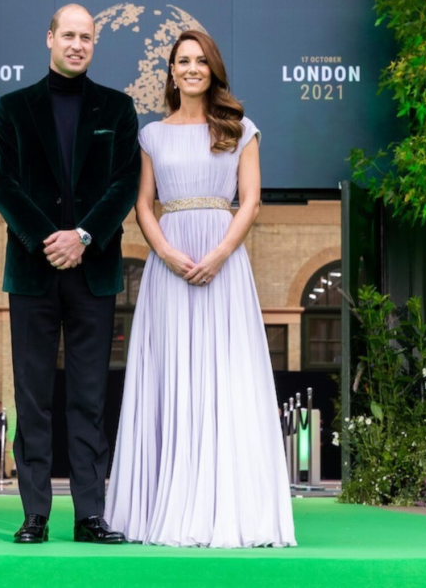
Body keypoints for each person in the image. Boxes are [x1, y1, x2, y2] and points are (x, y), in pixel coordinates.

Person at [104, 30, 297, 548]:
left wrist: (217, 256)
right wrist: (164, 252)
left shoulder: (239, 128)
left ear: (213, 69)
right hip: (168, 269)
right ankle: (162, 507)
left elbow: (251, 202)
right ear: (171, 71)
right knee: (170, 377)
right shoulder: (151, 136)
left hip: (223, 265)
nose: (191, 69)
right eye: (182, 61)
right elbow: (144, 204)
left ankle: (230, 510)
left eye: (200, 61)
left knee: (224, 377)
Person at [0, 4, 140, 545]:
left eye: (87, 37)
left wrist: (84, 237)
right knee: (31, 396)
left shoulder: (119, 110)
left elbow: (124, 184)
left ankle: (89, 515)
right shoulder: (12, 108)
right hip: (32, 272)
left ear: (94, 44)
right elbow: (3, 186)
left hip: (93, 271)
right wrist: (49, 238)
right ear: (49, 37)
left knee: (88, 397)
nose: (77, 44)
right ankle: (34, 515)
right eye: (68, 34)